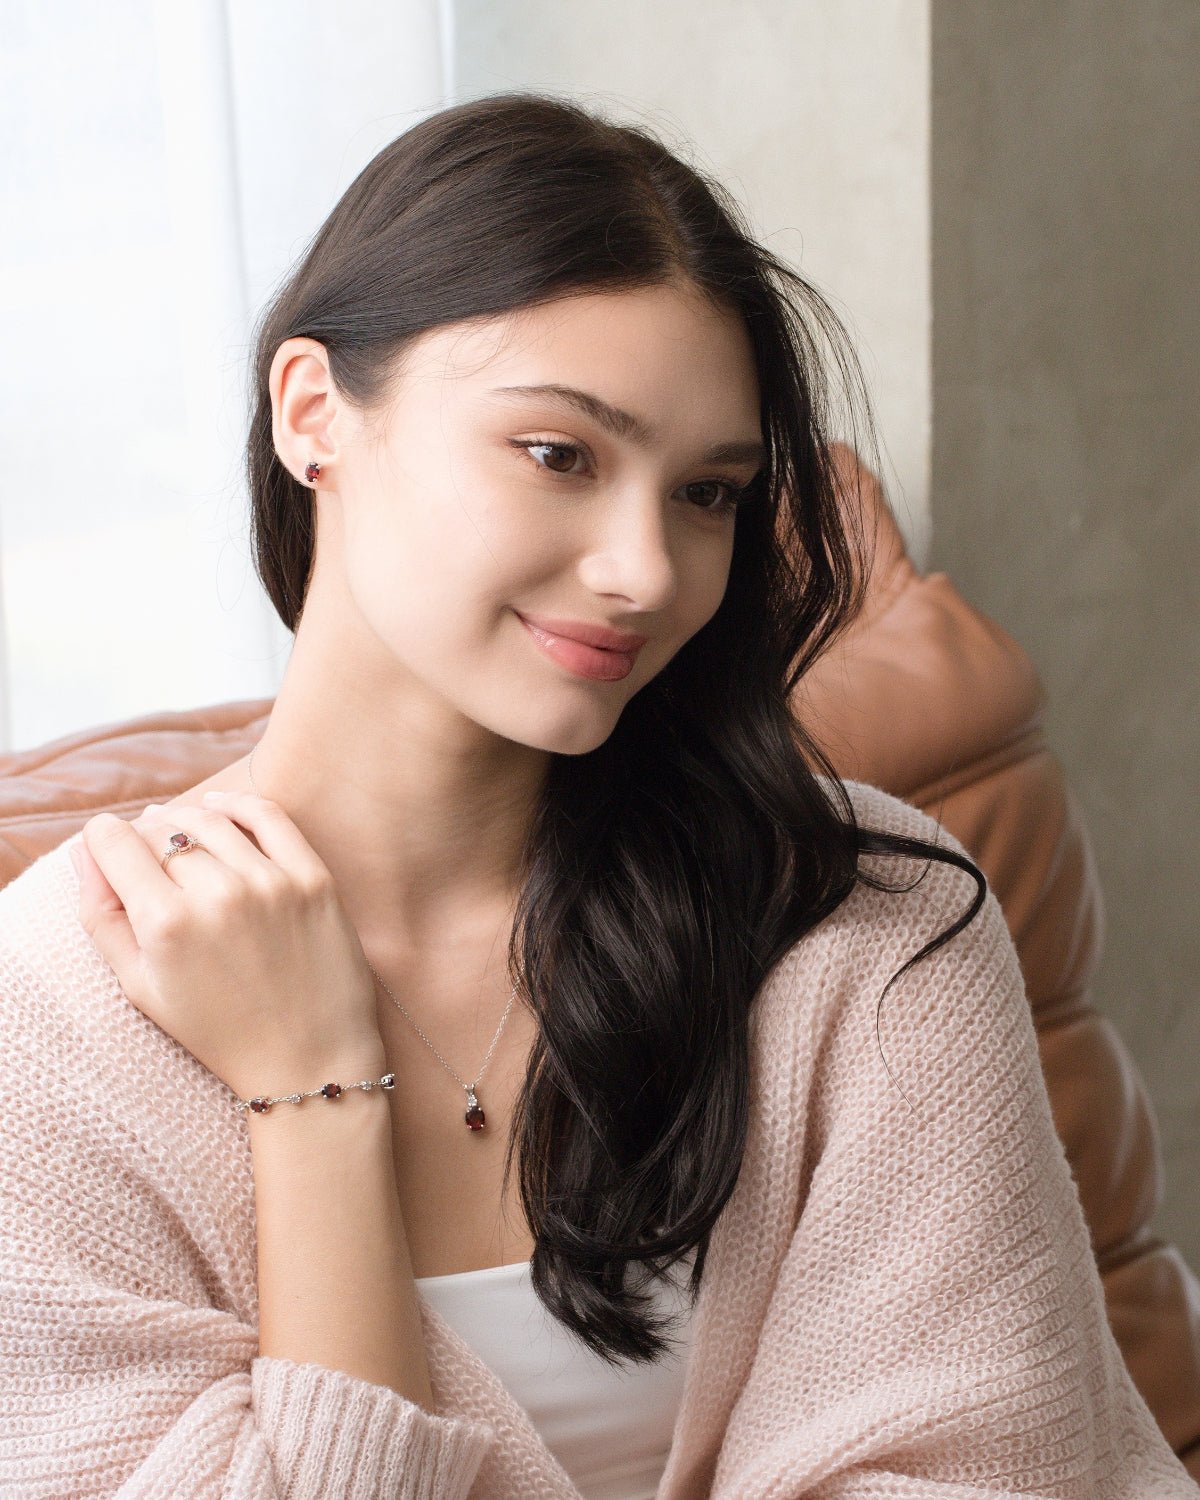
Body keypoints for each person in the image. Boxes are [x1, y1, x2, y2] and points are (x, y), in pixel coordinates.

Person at [1, 90, 1195, 1500]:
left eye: (707, 494)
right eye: (560, 454)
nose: (644, 569)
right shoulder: (54, 1017)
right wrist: (311, 1107)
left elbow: (988, 1472)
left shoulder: (857, 922)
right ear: (312, 414)